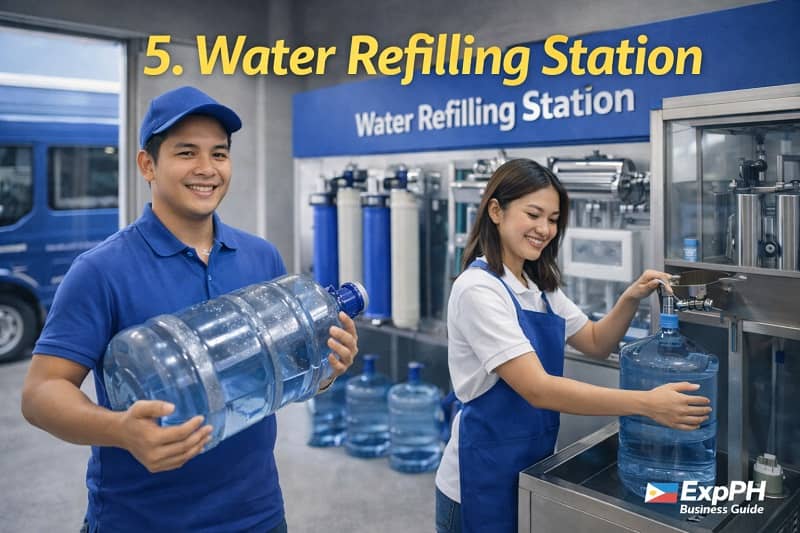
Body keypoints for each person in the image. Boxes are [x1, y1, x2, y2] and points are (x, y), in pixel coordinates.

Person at [20, 86, 359, 533]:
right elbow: (41, 393)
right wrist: (120, 429)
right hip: (140, 521)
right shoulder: (101, 270)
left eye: (219, 154)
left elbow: (277, 377)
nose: (206, 169)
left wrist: (327, 368)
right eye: (186, 153)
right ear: (148, 164)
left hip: (257, 516)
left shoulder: (261, 258)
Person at [434, 159, 712, 533]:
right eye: (533, 214)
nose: (544, 229)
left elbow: (597, 343)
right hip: (476, 478)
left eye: (553, 219)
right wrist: (646, 404)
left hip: (529, 465)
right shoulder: (478, 290)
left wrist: (630, 297)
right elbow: (538, 388)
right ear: (496, 211)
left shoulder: (540, 288)